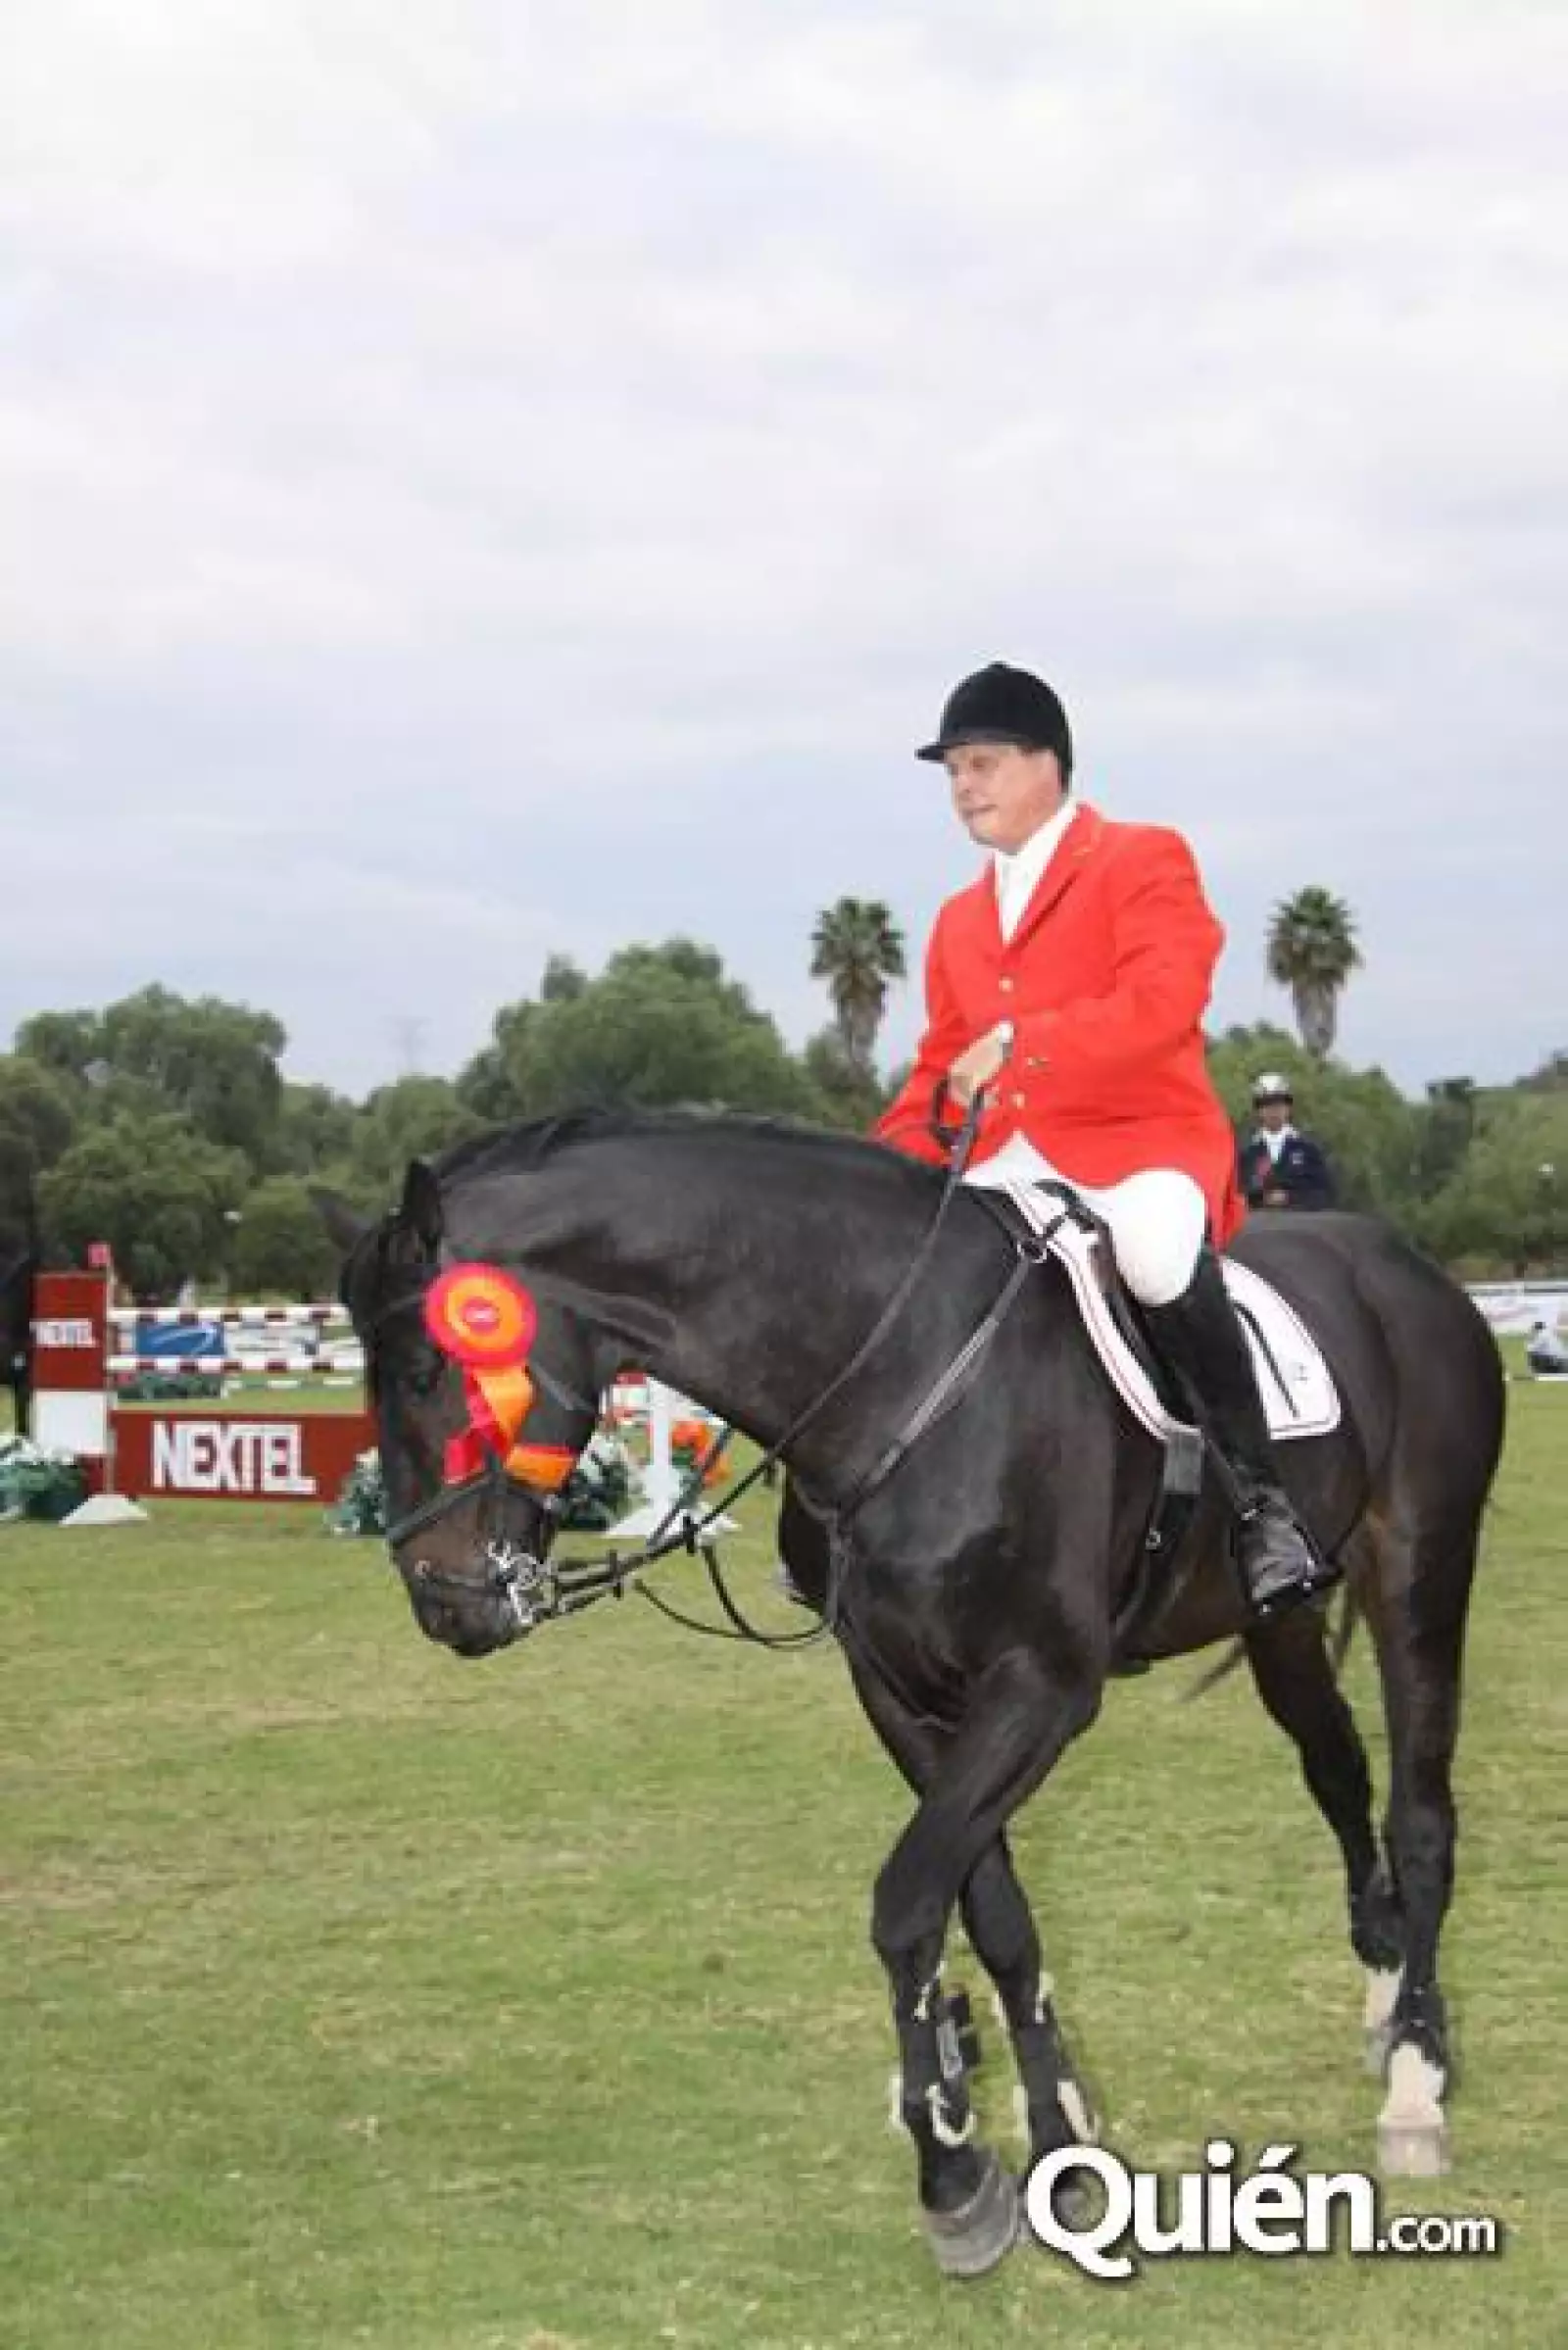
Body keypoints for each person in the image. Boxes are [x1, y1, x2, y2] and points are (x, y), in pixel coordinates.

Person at [875, 661, 1339, 1621]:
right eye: (953, 770)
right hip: (1010, 1156)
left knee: (1156, 1255)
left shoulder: (1141, 857)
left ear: (1049, 764)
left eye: (983, 763)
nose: (964, 786)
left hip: (1142, 1140)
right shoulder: (958, 919)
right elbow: (936, 1070)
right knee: (907, 1258)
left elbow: (1162, 1004)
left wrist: (1021, 1044)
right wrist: (878, 1171)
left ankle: (1262, 1508)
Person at [1238, 1075, 1335, 1211]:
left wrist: (1289, 1197)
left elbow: (1324, 1194)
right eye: (1267, 1105)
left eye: (1279, 1105)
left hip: (1299, 1226)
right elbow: (1237, 1195)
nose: (1273, 1111)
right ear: (1258, 1111)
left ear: (1288, 1108)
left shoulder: (1308, 1148)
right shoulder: (1246, 1151)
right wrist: (1262, 1198)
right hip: (1257, 1227)